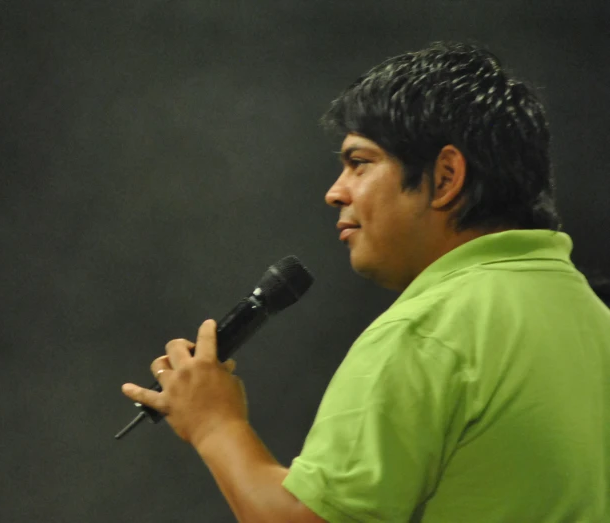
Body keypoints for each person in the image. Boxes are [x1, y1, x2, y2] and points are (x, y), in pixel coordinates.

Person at [121, 42, 610, 522]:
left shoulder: (428, 332)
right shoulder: (592, 315)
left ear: (444, 178)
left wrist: (214, 423)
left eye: (360, 162)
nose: (335, 192)